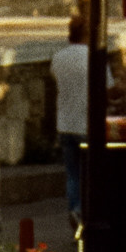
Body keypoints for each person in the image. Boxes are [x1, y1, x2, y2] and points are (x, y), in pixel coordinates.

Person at [48, 13, 89, 224]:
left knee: (72, 174)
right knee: (90, 174)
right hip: (86, 123)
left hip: (65, 123)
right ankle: (84, 212)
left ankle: (74, 208)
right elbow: (107, 89)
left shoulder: (58, 57)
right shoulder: (93, 57)